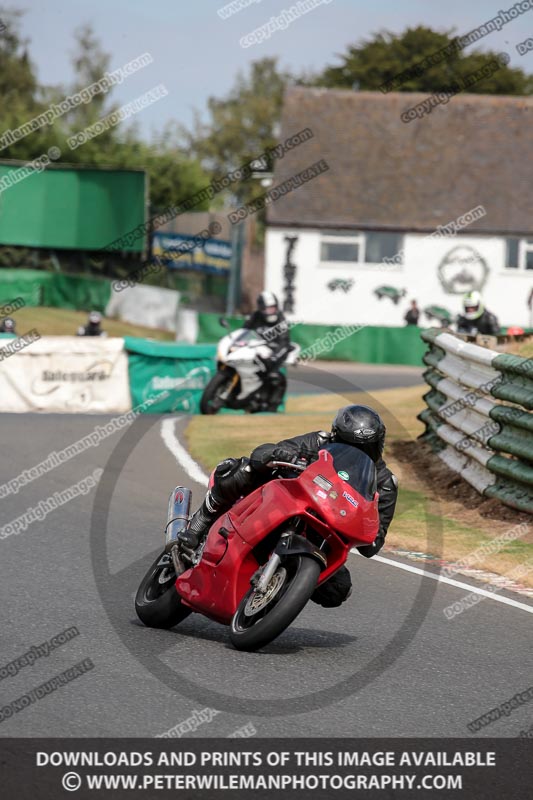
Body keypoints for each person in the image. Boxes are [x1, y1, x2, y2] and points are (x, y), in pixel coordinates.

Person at [179, 405, 398, 607]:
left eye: (365, 448)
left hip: (322, 534)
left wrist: (366, 523)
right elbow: (262, 454)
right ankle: (200, 524)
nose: (355, 453)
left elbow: (373, 544)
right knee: (243, 469)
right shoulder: (318, 441)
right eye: (347, 445)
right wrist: (280, 454)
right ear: (335, 437)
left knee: (337, 590)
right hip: (281, 504)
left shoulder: (385, 484)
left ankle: (276, 594)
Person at [242, 291, 291, 412]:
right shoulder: (255, 316)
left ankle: (271, 405)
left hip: (271, 354)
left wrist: (274, 357)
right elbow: (243, 332)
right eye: (267, 308)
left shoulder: (281, 319)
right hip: (253, 351)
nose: (271, 311)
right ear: (261, 308)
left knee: (276, 378)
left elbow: (285, 342)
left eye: (273, 308)